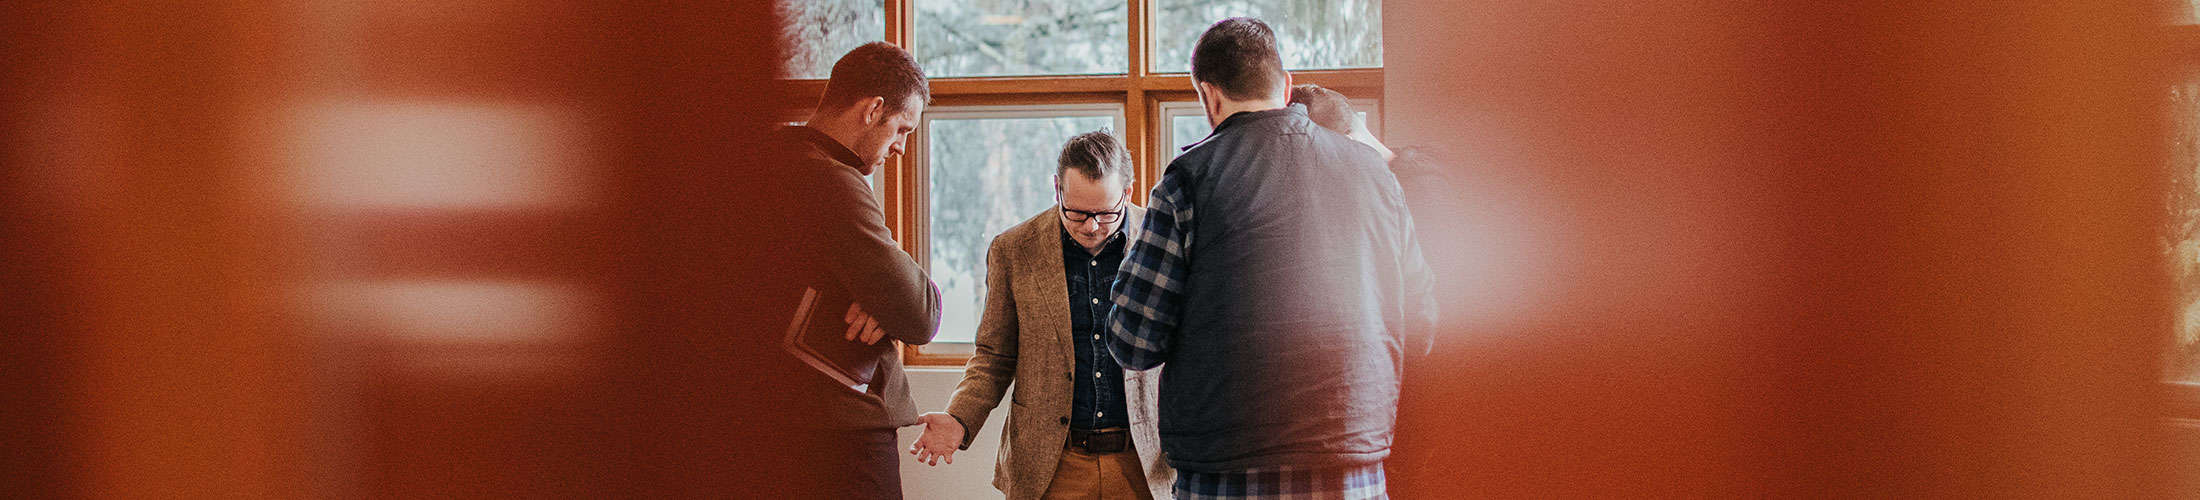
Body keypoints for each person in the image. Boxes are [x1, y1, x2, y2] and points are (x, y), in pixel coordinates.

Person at [1106, 18, 1437, 499]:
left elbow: (1133, 339)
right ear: (1285, 86)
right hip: (1353, 463)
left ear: (1209, 96)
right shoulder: (1375, 176)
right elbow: (1422, 322)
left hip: (1227, 469)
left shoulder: (1189, 179)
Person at [908, 131, 1176, 500]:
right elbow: (994, 355)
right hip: (1051, 465)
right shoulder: (1014, 249)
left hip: (1145, 461)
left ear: (1127, 193)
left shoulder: (1162, 243)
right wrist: (960, 418)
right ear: (1057, 189)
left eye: (1105, 213)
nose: (1091, 226)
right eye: (1077, 213)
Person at [761, 40, 942, 499]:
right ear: (872, 109)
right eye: (901, 128)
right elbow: (921, 315)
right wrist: (886, 298)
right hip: (840, 432)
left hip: (776, 422)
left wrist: (875, 293)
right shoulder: (832, 182)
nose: (901, 148)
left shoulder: (775, 161)